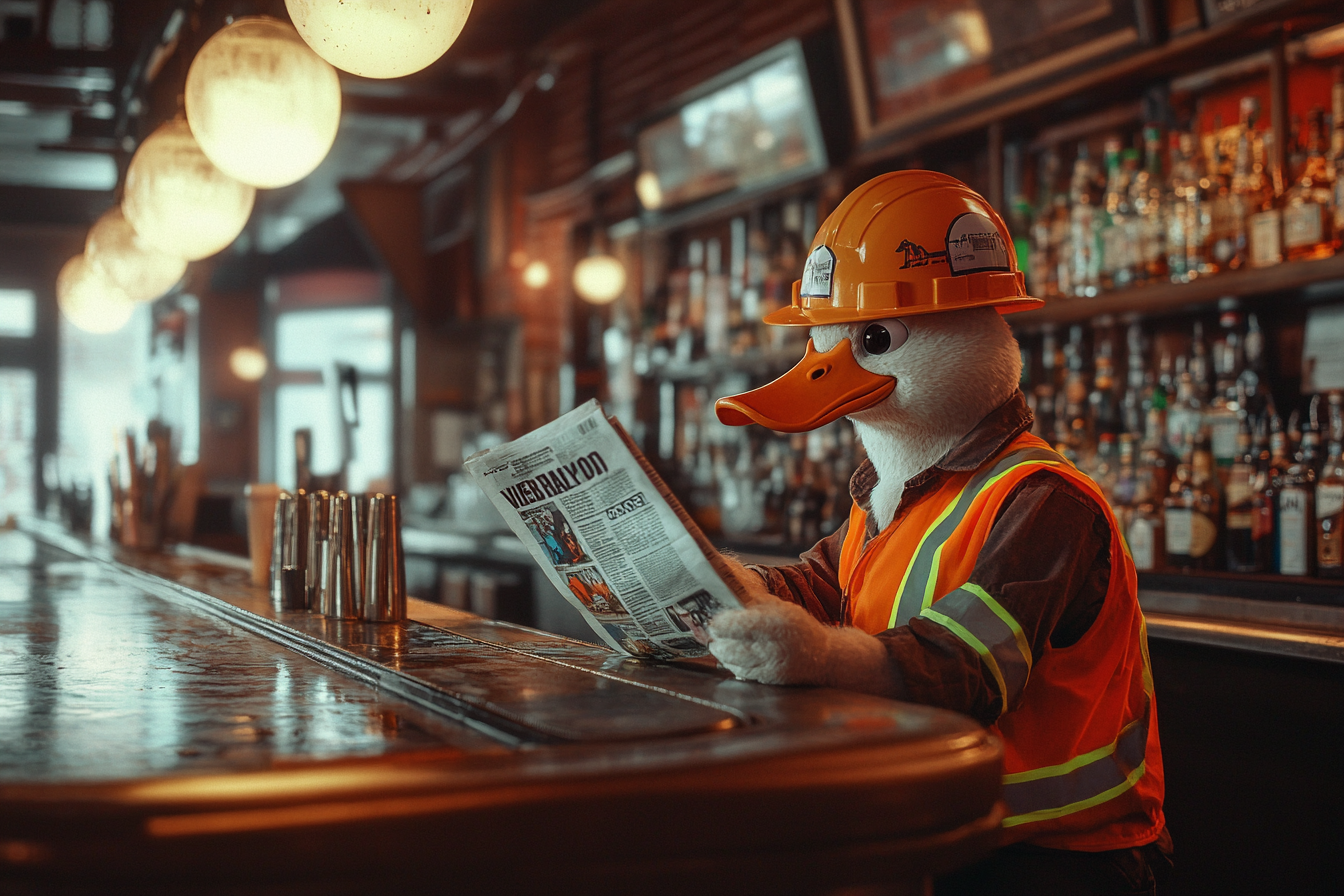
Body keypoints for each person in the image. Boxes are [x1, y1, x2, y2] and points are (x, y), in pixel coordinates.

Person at [705, 171, 1171, 895]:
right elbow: (820, 585)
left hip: (1062, 861)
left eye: (875, 339)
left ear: (975, 333)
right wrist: (715, 580)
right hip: (939, 835)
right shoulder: (891, 495)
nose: (826, 368)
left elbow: (966, 669)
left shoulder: (1044, 501)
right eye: (820, 341)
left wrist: (821, 656)